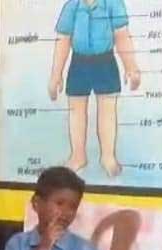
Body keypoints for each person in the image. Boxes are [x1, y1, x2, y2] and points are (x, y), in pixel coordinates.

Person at [50, 0, 141, 176]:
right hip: (79, 62)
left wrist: (131, 66)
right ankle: (78, 156)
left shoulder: (113, 4)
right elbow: (63, 40)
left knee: (108, 110)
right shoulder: (72, 6)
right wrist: (56, 73)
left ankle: (108, 156)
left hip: (105, 61)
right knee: (76, 110)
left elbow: (122, 36)